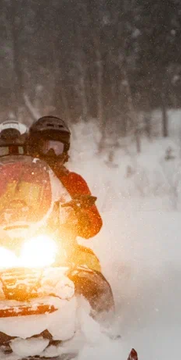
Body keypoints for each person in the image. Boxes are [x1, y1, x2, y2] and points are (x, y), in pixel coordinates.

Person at [23, 116, 114, 314]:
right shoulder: (17, 178)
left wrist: (81, 215)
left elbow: (93, 226)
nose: (51, 153)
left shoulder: (74, 181)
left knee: (91, 271)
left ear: (66, 150)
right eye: (46, 146)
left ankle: (101, 324)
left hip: (62, 248)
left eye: (57, 147)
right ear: (33, 146)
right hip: (15, 246)